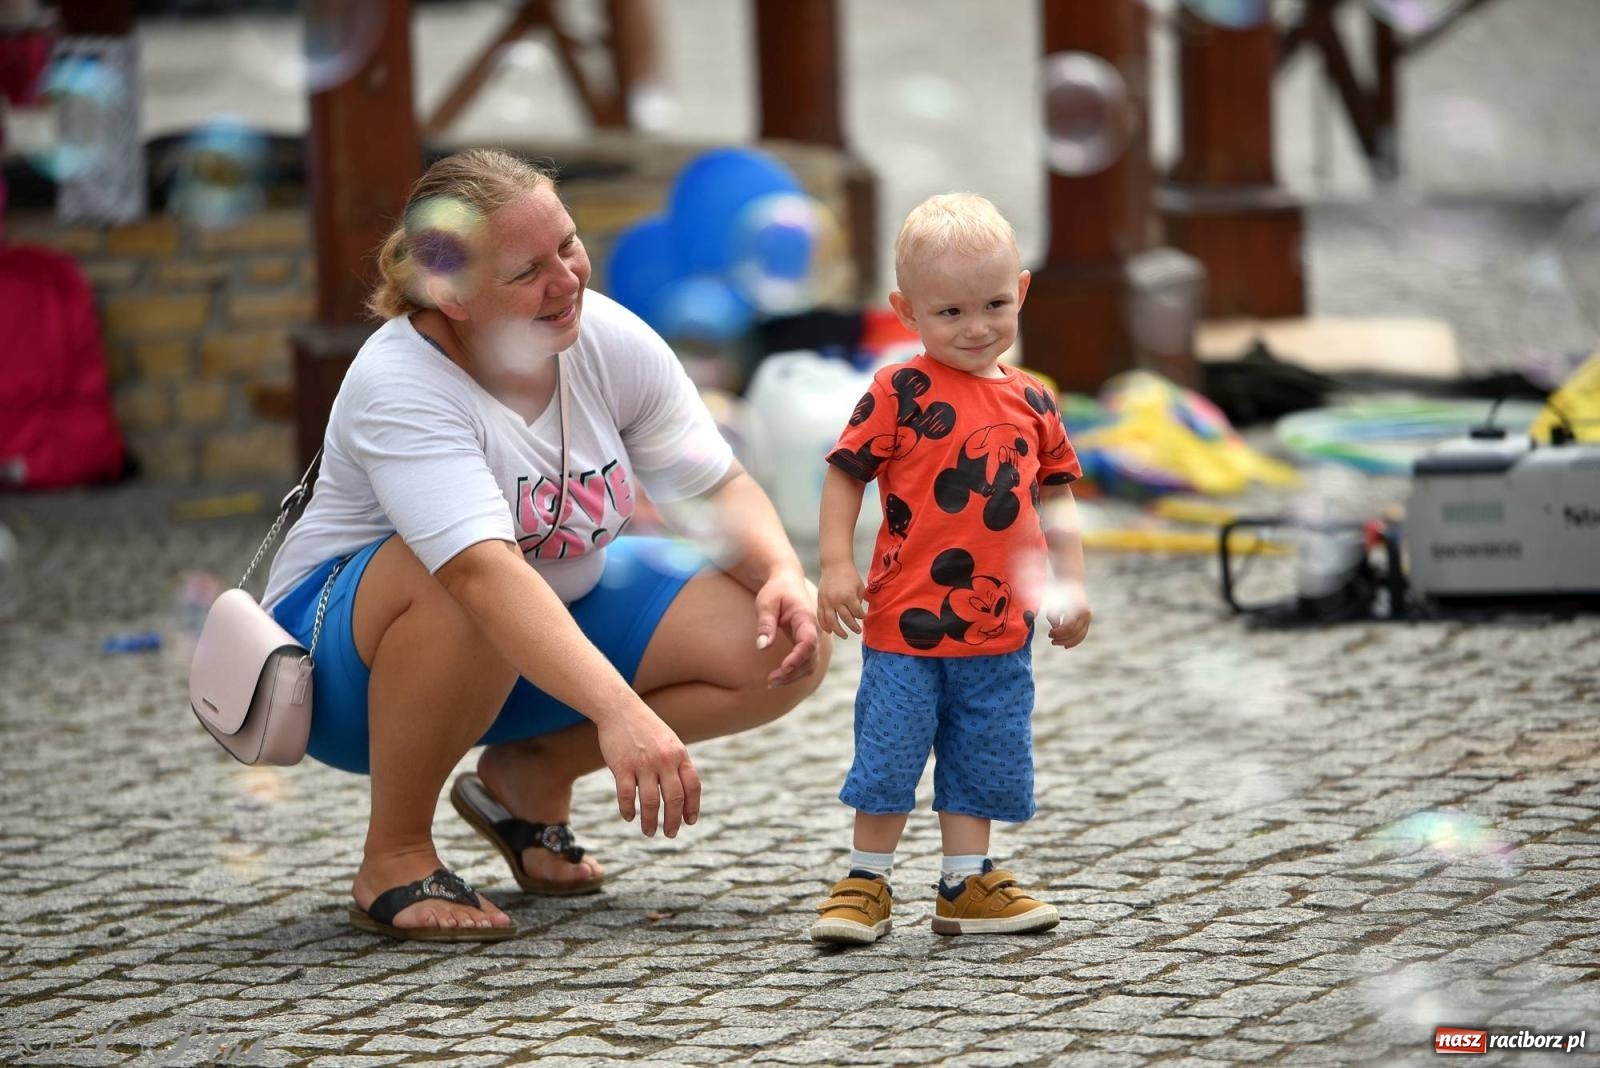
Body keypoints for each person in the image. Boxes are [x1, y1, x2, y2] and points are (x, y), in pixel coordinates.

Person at [261, 148, 826, 941]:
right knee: (463, 577)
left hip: (522, 632)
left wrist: (782, 572)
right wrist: (619, 713)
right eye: (529, 270)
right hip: (344, 675)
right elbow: (483, 575)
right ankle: (393, 853)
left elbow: (716, 486)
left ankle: (531, 778)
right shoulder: (400, 383)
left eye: (568, 245)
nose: (567, 280)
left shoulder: (607, 337)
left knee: (781, 642)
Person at [809, 193, 1091, 945]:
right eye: (950, 312)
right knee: (890, 751)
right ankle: (865, 879)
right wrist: (836, 564)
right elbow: (845, 474)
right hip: (905, 624)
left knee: (984, 751)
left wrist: (1070, 583)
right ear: (906, 311)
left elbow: (1056, 496)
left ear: (1022, 291)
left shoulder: (1035, 399)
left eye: (994, 304)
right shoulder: (898, 392)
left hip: (1001, 631)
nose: (976, 327)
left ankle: (965, 882)